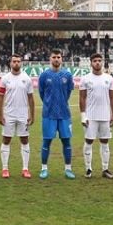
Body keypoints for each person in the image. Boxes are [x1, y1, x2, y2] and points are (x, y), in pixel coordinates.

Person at [37, 50, 76, 180]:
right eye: (54, 57)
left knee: (66, 141)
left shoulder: (67, 75)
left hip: (64, 114)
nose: (56, 59)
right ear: (50, 59)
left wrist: (62, 103)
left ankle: (68, 169)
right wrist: (49, 104)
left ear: (61, 59)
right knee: (46, 141)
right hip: (48, 114)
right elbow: (42, 94)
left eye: (58, 57)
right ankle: (44, 168)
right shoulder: (44, 75)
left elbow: (69, 92)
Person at [78, 53, 113, 179]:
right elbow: (82, 98)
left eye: (99, 60)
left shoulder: (109, 78)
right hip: (91, 116)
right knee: (89, 141)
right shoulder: (85, 79)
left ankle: (105, 169)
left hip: (105, 116)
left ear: (102, 62)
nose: (98, 63)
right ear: (91, 63)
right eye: (95, 61)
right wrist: (83, 115)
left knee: (105, 142)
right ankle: (88, 169)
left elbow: (112, 97)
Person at [0, 54, 35, 178]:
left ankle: (25, 169)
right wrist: (0, 114)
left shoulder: (27, 79)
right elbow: (0, 98)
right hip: (9, 115)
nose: (16, 63)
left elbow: (31, 98)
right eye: (14, 61)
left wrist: (32, 115)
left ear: (21, 63)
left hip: (23, 115)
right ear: (10, 63)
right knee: (6, 139)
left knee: (24, 139)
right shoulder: (5, 79)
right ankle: (5, 169)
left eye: (18, 61)